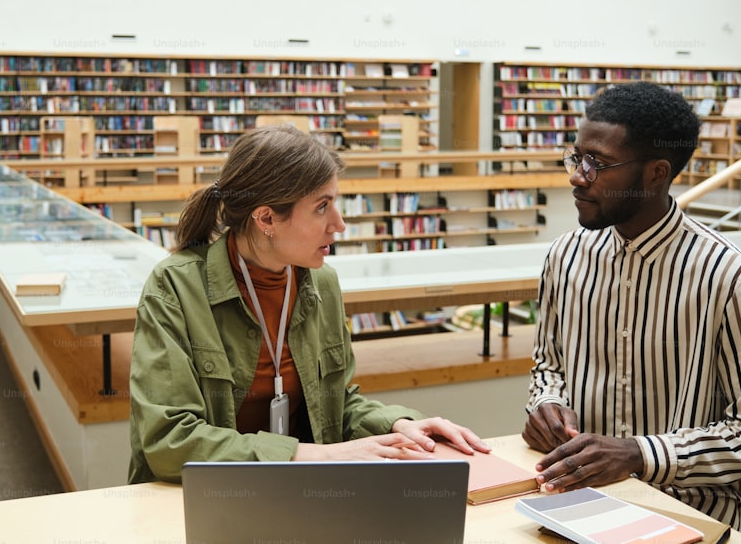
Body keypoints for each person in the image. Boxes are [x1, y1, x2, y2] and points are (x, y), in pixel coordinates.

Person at [128, 125, 489, 483]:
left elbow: (336, 403)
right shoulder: (173, 287)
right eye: (322, 207)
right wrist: (315, 455)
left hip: (301, 493)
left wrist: (399, 424)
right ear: (266, 218)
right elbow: (170, 442)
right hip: (202, 500)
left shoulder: (322, 282)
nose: (340, 224)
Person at [523, 81, 741, 537]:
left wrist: (640, 453)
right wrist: (547, 402)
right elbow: (549, 365)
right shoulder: (565, 256)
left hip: (697, 514)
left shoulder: (728, 277)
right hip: (581, 502)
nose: (577, 176)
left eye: (598, 164)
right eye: (576, 156)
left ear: (657, 173)